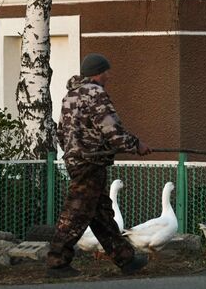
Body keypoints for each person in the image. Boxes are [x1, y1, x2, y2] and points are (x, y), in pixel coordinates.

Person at [46, 53, 152, 279]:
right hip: (91, 162)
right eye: (107, 72)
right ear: (99, 72)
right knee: (75, 213)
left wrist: (73, 152)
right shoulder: (96, 94)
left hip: (76, 160)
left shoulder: (69, 96)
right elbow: (111, 128)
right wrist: (136, 145)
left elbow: (61, 133)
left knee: (101, 213)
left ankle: (127, 259)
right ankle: (57, 261)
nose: (109, 76)